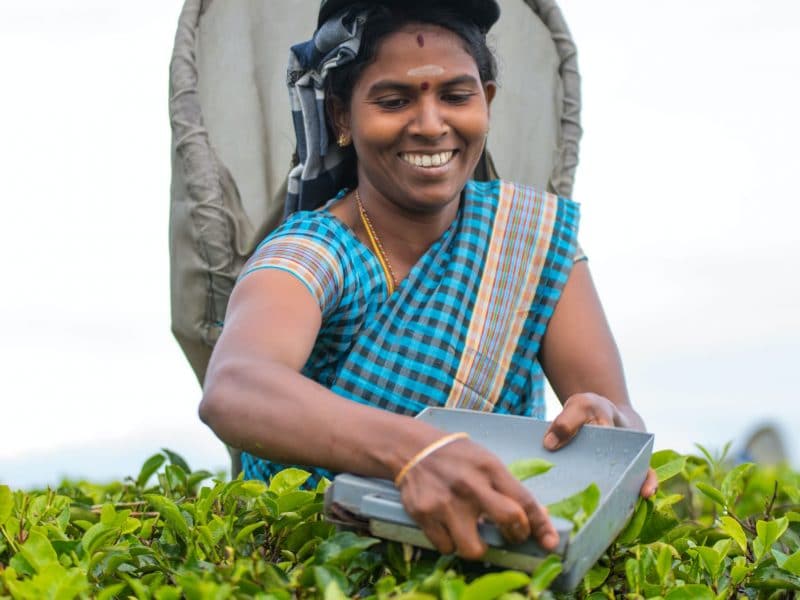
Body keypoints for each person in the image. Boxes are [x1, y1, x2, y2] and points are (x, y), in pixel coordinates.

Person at [200, 0, 657, 561]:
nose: (431, 124)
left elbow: (623, 422)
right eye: (394, 101)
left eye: (456, 96)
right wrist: (415, 452)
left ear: (486, 102)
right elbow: (236, 386)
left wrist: (609, 422)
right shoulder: (314, 251)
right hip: (308, 566)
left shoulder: (530, 240)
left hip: (495, 566)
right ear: (342, 117)